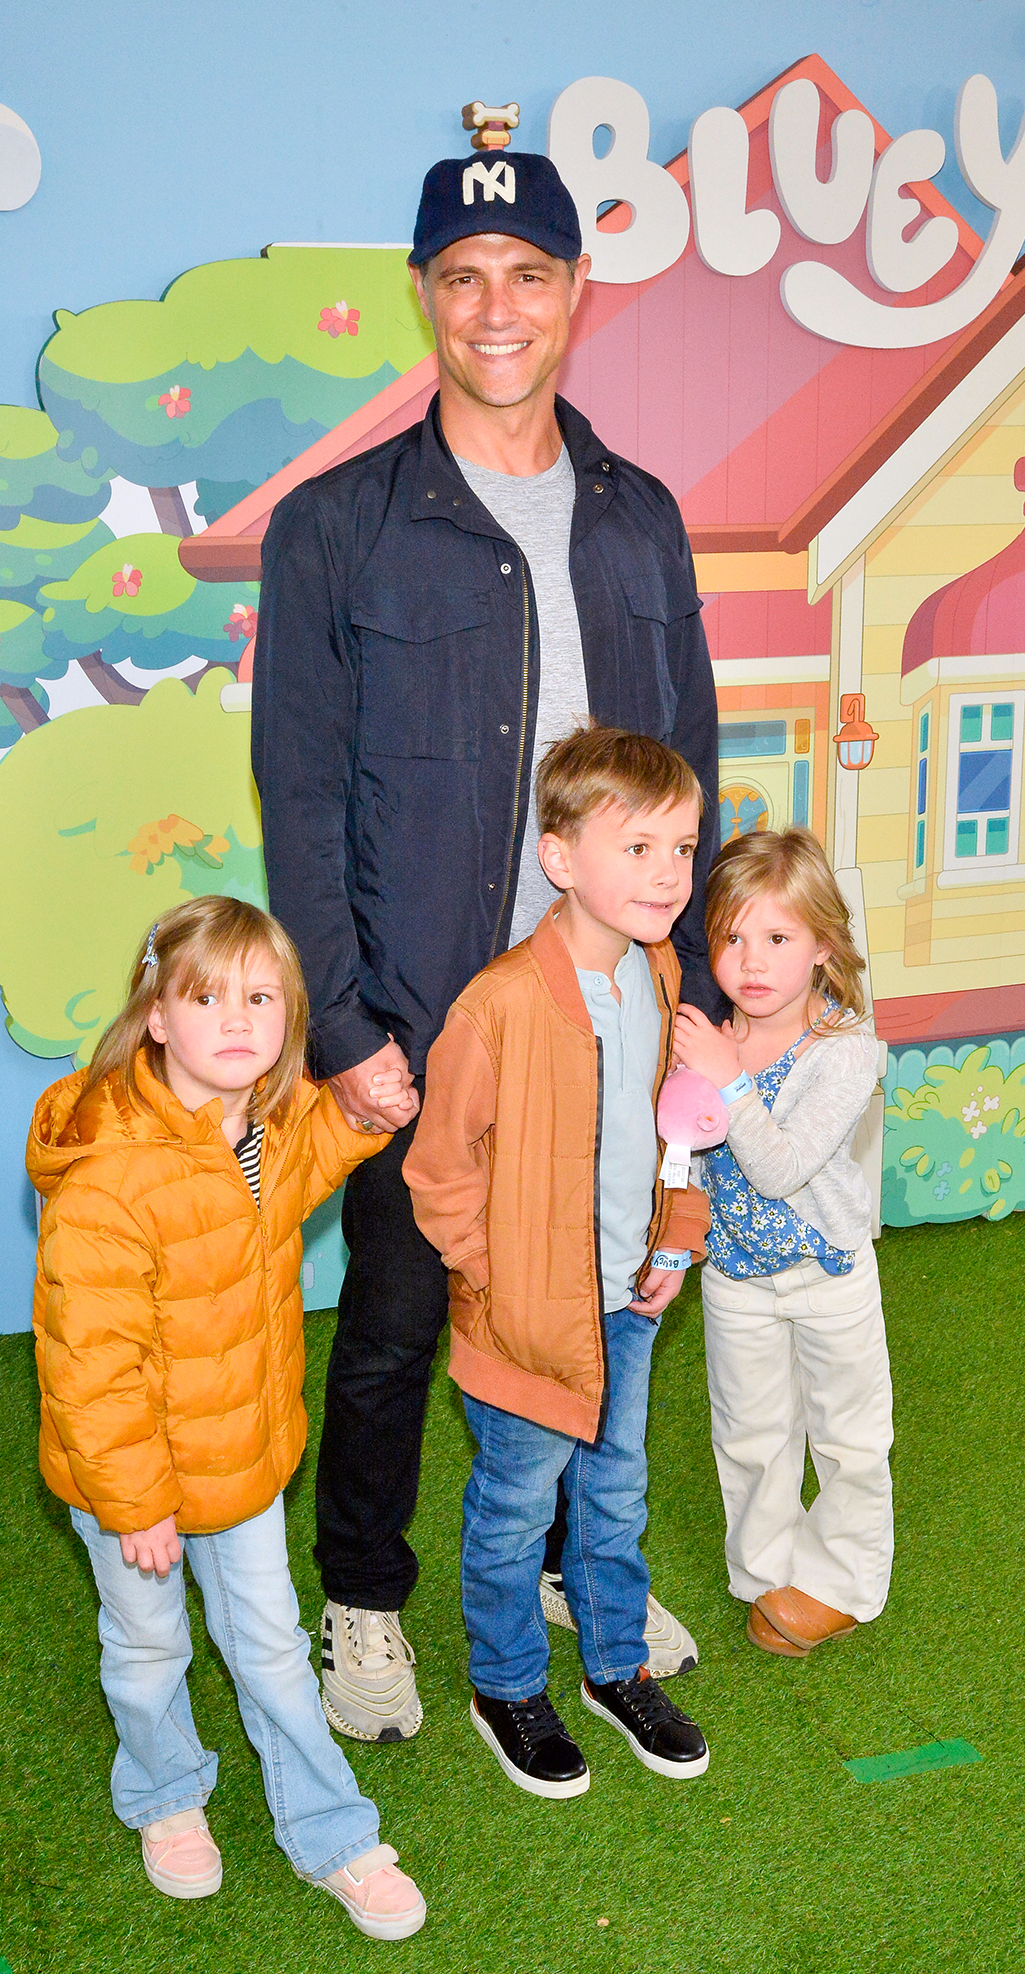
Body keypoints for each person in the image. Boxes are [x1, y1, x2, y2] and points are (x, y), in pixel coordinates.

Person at [252, 146, 721, 1741]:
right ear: (425, 296)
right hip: (430, 1021)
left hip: (616, 1014)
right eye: (463, 276)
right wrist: (346, 1030)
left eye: (527, 273)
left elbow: (691, 765)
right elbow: (301, 792)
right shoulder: (339, 524)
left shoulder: (641, 516)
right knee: (395, 1326)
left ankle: (572, 1575)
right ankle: (364, 1601)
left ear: (576, 292)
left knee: (599, 1300)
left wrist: (691, 988)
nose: (495, 306)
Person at [25, 896, 427, 1939]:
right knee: (147, 1647)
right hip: (134, 1483)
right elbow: (90, 1364)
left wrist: (359, 1117)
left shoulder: (258, 1124)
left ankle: (332, 1832)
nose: (238, 1019)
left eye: (261, 997)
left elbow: (294, 1174)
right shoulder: (111, 1172)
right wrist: (135, 1501)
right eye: (207, 998)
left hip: (239, 1455)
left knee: (273, 1649)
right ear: (156, 1016)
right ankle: (165, 1793)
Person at [403, 725, 712, 1795]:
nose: (667, 874)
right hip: (525, 1322)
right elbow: (439, 1168)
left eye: (682, 848)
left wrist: (676, 1235)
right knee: (514, 1508)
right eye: (638, 848)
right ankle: (506, 1686)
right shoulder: (496, 1004)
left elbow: (677, 1124)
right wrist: (489, 1280)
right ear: (559, 856)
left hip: (628, 1301)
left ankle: (616, 1667)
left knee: (614, 1498)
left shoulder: (661, 972)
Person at [671, 828, 893, 1657]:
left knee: (849, 1438)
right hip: (735, 1280)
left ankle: (845, 1582)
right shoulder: (705, 1041)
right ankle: (764, 1572)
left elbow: (780, 1168)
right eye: (731, 938)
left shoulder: (845, 1051)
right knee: (749, 1436)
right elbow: (682, 1155)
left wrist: (725, 1077)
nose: (751, 962)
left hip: (828, 1275)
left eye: (776, 938)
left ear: (823, 947)